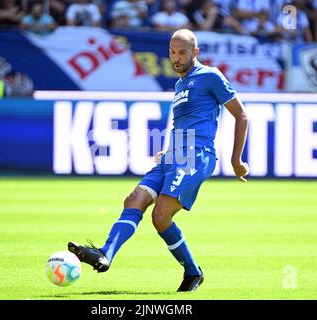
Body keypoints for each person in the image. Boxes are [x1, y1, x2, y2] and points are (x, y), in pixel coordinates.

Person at [68, 29, 249, 292]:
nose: (176, 58)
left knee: (160, 216)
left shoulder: (210, 76)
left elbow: (241, 115)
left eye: (182, 53)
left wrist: (236, 160)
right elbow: (185, 123)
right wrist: (169, 150)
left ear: (195, 52)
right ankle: (105, 254)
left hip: (195, 156)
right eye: (172, 52)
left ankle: (192, 272)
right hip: (175, 154)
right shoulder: (179, 85)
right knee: (134, 200)